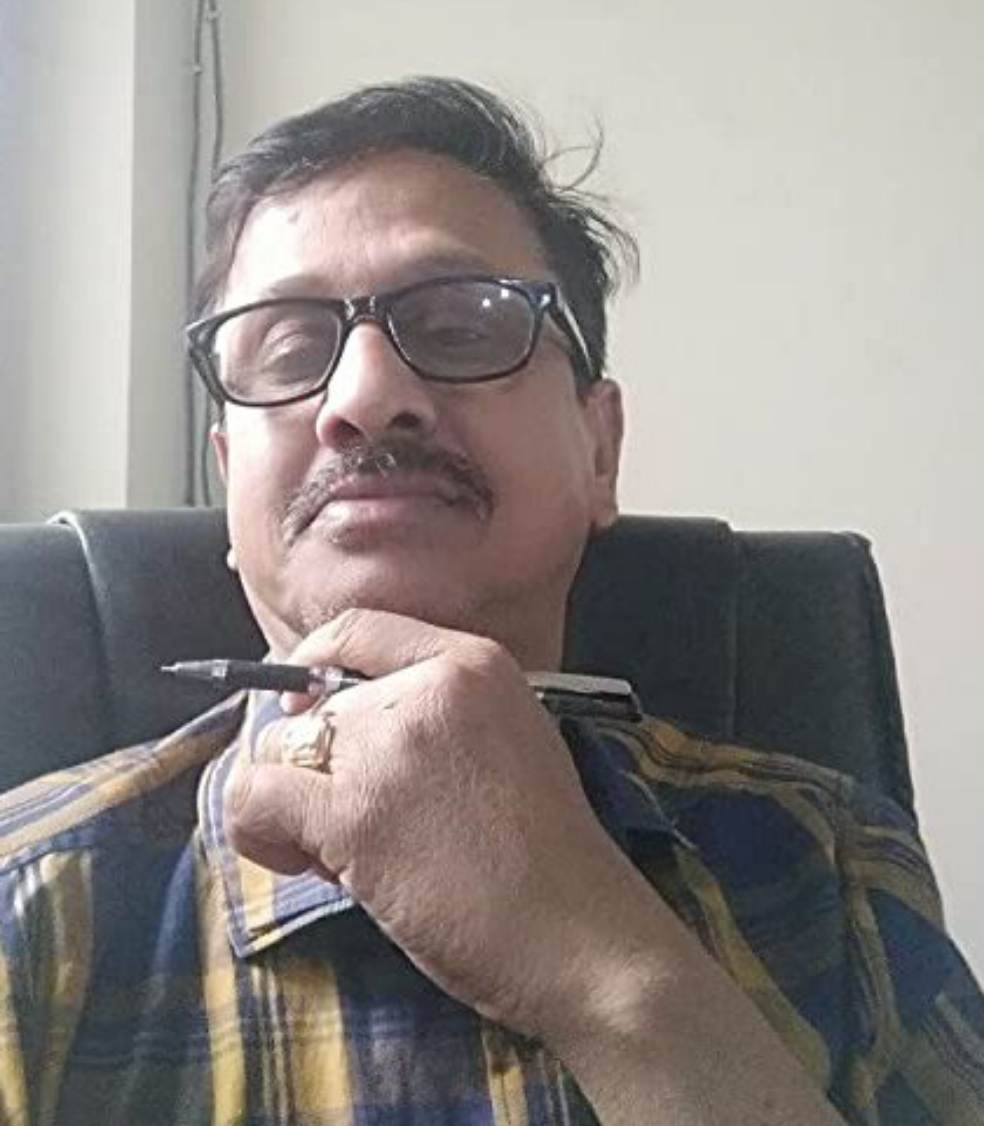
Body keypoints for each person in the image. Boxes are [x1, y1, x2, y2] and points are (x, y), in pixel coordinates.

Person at [1, 77, 982, 1125]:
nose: (363, 397)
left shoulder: (836, 870)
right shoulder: (22, 906)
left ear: (599, 449)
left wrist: (605, 970)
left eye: (463, 326)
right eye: (289, 352)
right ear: (229, 478)